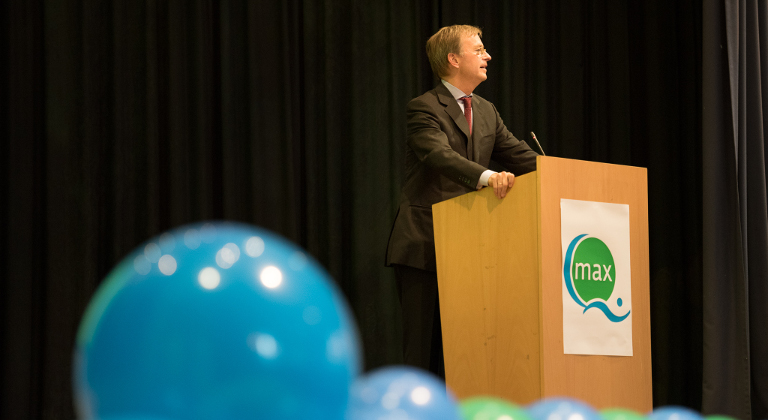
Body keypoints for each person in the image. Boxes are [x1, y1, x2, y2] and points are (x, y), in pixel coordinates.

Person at [385, 25, 539, 378]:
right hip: (425, 245)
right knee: (423, 355)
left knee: (468, 351)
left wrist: (564, 173)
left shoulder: (486, 111)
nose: (488, 56)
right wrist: (488, 178)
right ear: (454, 59)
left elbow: (519, 155)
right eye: (479, 49)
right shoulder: (423, 108)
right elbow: (439, 156)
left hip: (473, 248)